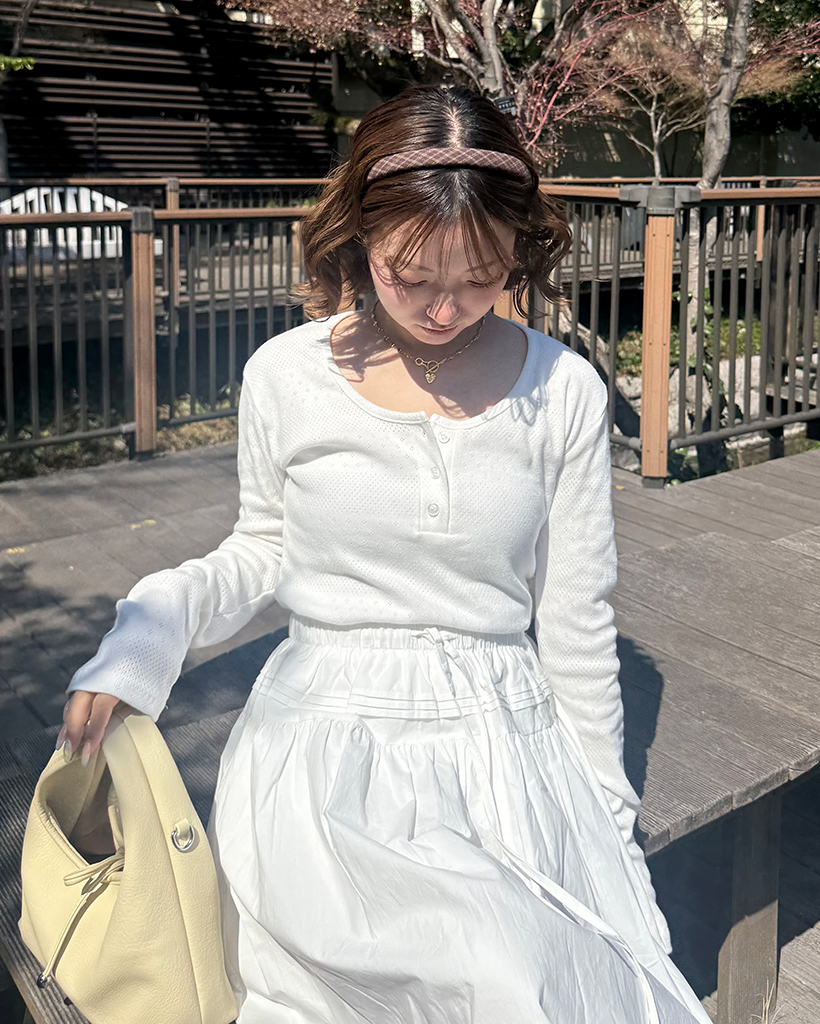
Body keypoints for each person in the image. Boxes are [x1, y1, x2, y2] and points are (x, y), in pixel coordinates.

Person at [59, 84, 712, 1023]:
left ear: (518, 249)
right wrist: (147, 633)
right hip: (323, 744)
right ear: (361, 235)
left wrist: (606, 819)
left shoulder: (562, 390)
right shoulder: (286, 374)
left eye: (481, 277)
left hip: (500, 745)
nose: (446, 308)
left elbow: (575, 621)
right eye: (412, 276)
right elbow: (261, 551)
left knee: (519, 980)